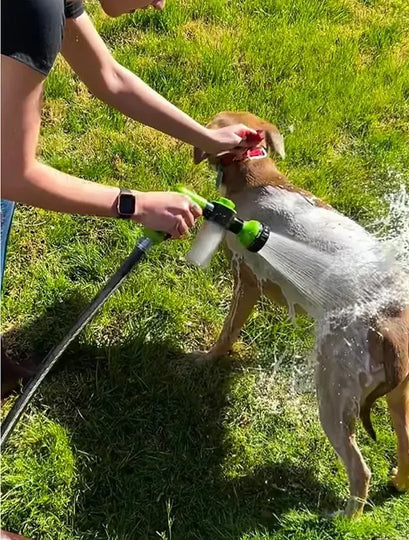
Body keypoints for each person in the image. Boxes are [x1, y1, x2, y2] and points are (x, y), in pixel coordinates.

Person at [1, 0, 256, 396]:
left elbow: (109, 77)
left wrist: (208, 139)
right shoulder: (31, 10)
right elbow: (11, 174)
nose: (160, 4)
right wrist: (136, 205)